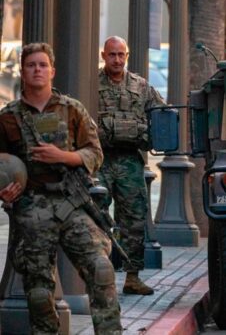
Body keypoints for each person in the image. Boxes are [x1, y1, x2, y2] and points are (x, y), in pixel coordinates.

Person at [0, 42, 122, 333]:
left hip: (72, 202)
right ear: (23, 71)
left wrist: (64, 157)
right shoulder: (7, 118)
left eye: (42, 65)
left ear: (52, 71)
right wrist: (4, 193)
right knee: (39, 293)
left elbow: (95, 152)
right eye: (31, 65)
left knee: (102, 269)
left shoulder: (72, 110)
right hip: (32, 206)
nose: (37, 70)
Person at [96, 36, 165, 295]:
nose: (116, 59)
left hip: (130, 161)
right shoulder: (91, 84)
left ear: (127, 56)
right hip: (99, 161)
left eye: (121, 54)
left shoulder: (141, 86)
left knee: (134, 219)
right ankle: (99, 276)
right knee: (97, 217)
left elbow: (162, 114)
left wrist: (149, 136)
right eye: (112, 54)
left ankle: (132, 277)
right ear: (103, 56)